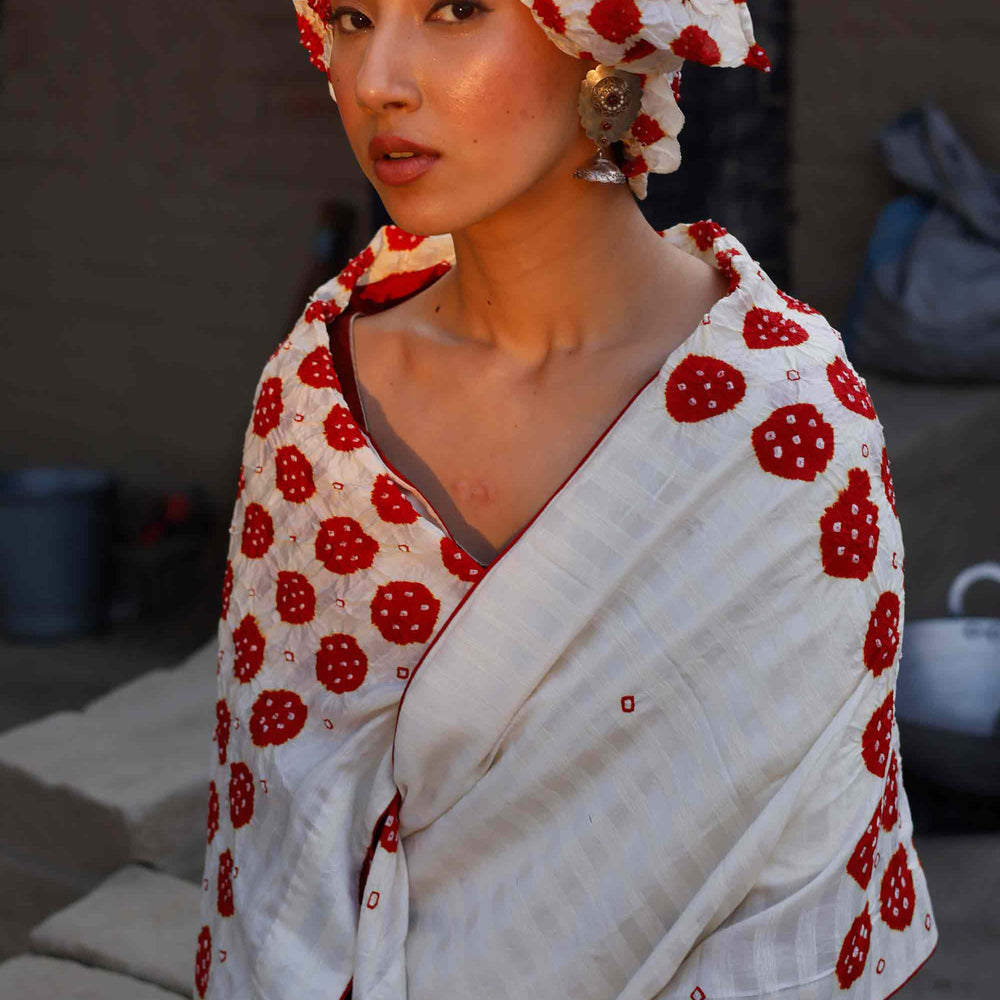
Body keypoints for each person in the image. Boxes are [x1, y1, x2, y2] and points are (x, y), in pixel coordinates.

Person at [194, 1, 939, 997]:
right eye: (352, 18)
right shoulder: (314, 404)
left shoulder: (781, 427)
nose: (376, 79)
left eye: (457, 10)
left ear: (604, 45)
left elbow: (802, 894)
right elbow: (269, 855)